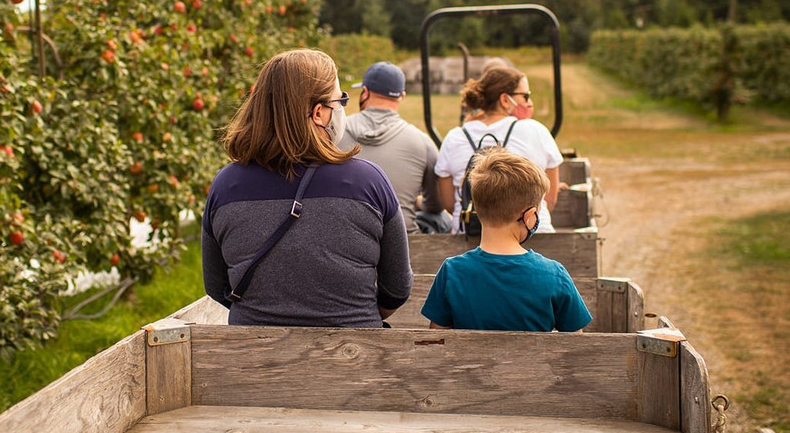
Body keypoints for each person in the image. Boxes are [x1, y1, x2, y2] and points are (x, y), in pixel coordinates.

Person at [202, 48, 413, 327]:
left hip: (254, 352)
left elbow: (216, 286)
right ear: (318, 113)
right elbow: (397, 288)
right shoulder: (369, 182)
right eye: (340, 100)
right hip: (354, 350)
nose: (342, 108)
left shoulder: (225, 185)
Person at [421, 147, 592, 332]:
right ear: (530, 217)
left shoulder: (452, 271)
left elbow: (437, 338)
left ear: (477, 207)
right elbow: (576, 341)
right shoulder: (554, 274)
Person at [435, 66, 564, 233]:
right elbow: (550, 199)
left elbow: (449, 203)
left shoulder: (455, 137)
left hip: (471, 233)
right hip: (535, 233)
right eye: (525, 96)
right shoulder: (535, 131)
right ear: (505, 100)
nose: (529, 102)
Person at [338, 61, 451, 234]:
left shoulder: (335, 132)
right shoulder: (422, 141)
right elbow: (436, 205)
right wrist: (416, 202)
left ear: (365, 92)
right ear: (402, 96)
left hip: (345, 234)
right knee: (441, 219)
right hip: (403, 238)